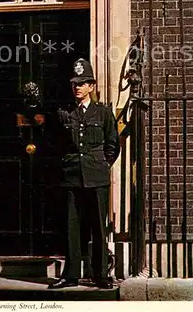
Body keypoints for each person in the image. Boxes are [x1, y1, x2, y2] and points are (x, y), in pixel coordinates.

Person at [48, 58, 120, 290]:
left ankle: (100, 275)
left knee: (98, 227)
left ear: (92, 86)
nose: (77, 87)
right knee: (72, 227)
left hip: (96, 177)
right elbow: (57, 143)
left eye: (83, 83)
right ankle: (70, 276)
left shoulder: (103, 113)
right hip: (71, 177)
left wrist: (101, 164)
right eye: (75, 84)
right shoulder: (65, 113)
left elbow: (112, 145)